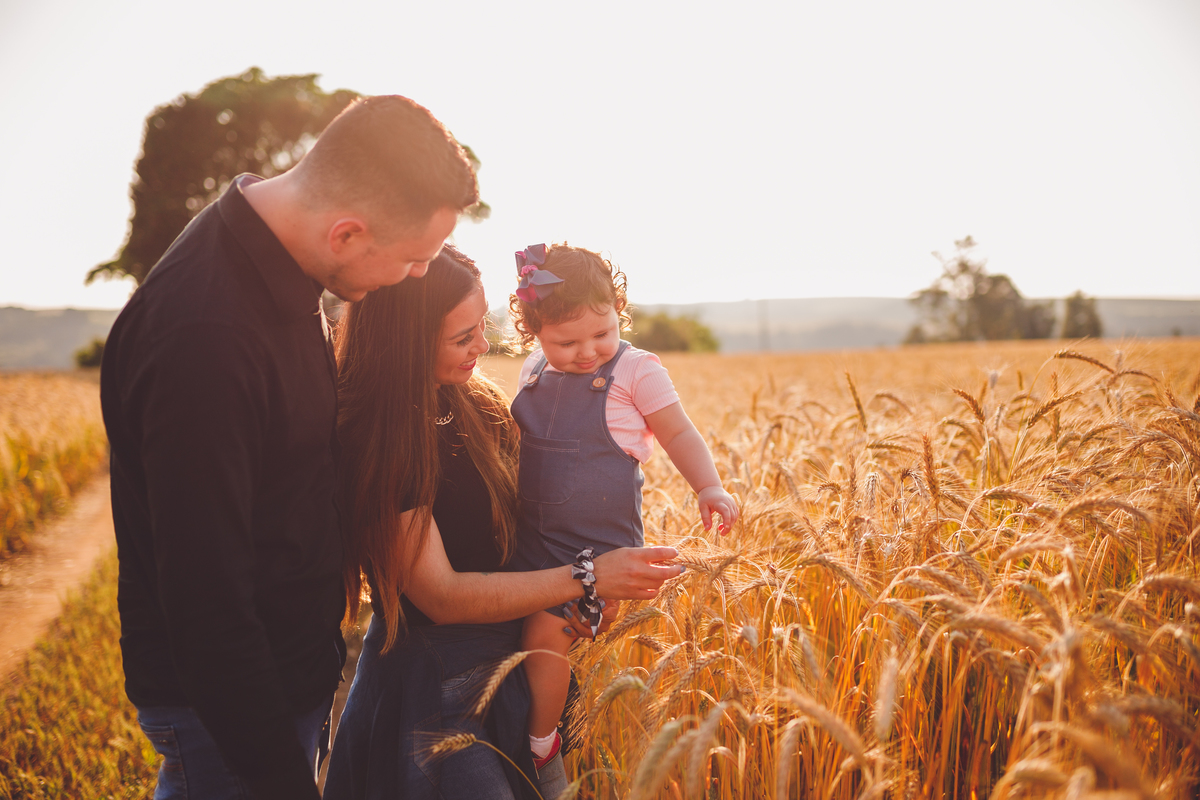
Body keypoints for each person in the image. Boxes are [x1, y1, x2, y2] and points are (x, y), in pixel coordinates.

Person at [100, 95, 478, 800]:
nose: (418, 278)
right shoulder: (204, 337)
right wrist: (280, 777)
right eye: (413, 259)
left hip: (284, 684)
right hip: (234, 720)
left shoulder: (280, 269)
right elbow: (206, 600)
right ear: (347, 234)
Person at [323, 245, 683, 800]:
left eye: (481, 328)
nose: (482, 346)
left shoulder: (477, 402)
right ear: (407, 340)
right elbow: (440, 598)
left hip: (515, 669)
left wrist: (583, 592)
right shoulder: (381, 439)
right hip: (437, 693)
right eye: (462, 337)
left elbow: (542, 515)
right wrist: (587, 576)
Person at [506, 243, 740, 773]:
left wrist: (709, 487)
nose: (587, 352)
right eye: (566, 342)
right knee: (507, 627)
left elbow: (677, 432)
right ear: (533, 331)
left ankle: (541, 742)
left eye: (602, 333)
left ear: (619, 311)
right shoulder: (534, 368)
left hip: (597, 546)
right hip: (532, 534)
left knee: (546, 635)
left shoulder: (636, 370)